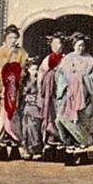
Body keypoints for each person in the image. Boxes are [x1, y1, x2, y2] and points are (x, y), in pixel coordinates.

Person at [55, 33, 93, 166]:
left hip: (85, 95)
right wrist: (69, 85)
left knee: (83, 122)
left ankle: (82, 155)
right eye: (78, 45)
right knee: (64, 120)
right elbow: (60, 76)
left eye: (83, 45)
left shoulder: (90, 60)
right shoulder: (67, 59)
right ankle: (70, 153)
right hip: (69, 96)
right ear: (73, 46)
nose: (81, 48)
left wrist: (83, 81)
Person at [0, 24, 29, 161]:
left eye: (15, 37)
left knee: (14, 119)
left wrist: (18, 75)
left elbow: (25, 69)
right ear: (5, 38)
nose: (13, 40)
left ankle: (14, 149)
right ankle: (1, 149)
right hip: (3, 90)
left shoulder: (22, 53)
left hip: (16, 90)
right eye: (10, 37)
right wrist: (1, 82)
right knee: (3, 118)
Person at [38, 33, 67, 163]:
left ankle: (61, 149)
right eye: (54, 44)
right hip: (49, 96)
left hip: (61, 96)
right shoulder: (47, 60)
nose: (57, 46)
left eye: (59, 43)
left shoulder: (67, 59)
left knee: (61, 120)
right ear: (51, 45)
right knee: (50, 119)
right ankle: (49, 148)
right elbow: (40, 77)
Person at [20, 59, 44, 160]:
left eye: (37, 69)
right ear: (29, 70)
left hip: (36, 107)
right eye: (33, 69)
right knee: (26, 129)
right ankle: (27, 150)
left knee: (35, 129)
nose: (35, 71)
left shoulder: (39, 81)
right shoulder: (26, 81)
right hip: (27, 107)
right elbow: (23, 92)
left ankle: (36, 150)